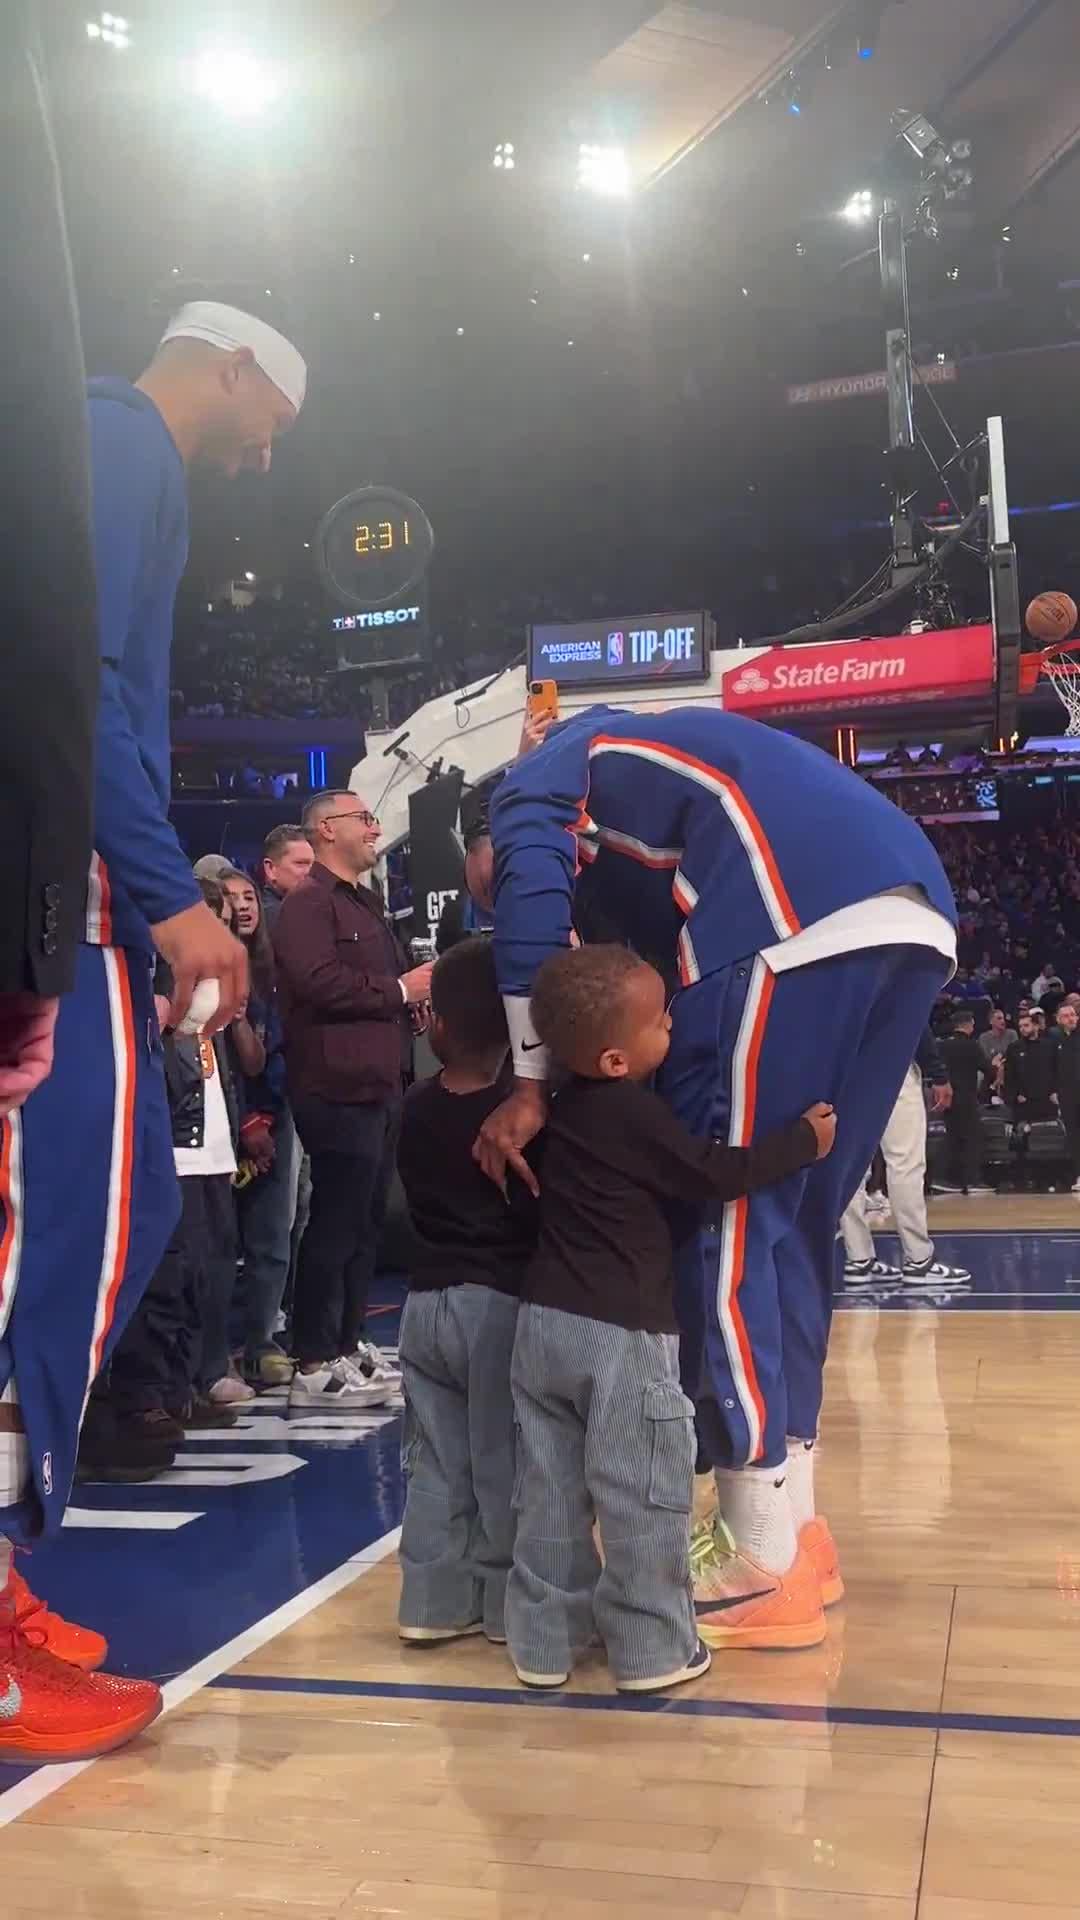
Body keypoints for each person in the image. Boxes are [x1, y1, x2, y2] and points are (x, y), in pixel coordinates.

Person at [467, 703, 955, 1647]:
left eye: (483, 886)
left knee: (724, 1228)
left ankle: (757, 1554)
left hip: (783, 905)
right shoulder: (653, 756)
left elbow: (529, 905)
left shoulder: (538, 776)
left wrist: (529, 1082)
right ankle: (795, 1527)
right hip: (915, 907)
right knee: (795, 1225)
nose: (498, 901)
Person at [0, 0, 166, 1762]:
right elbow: (72, 664)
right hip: (54, 893)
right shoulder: (112, 439)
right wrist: (112, 894)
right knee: (52, 1252)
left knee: (100, 1240)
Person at [508, 946, 835, 1686]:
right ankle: (652, 1649)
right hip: (622, 1334)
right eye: (661, 1020)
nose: (672, 1027)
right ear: (617, 1059)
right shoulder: (634, 1112)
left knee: (549, 1492)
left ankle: (544, 1644)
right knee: (642, 1494)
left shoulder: (561, 1108)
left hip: (542, 1324)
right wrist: (800, 1143)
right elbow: (711, 1174)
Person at [78, 879, 249, 1483]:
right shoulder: (118, 974)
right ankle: (119, 1406)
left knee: (180, 1274)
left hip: (168, 1130)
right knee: (138, 1271)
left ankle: (160, 1395)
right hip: (128, 1129)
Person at [274, 792, 433, 1408]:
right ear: (325, 830)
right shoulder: (307, 905)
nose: (374, 828)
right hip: (336, 1087)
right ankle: (313, 1358)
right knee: (335, 1223)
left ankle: (346, 1341)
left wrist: (406, 1007)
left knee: (366, 1224)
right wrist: (398, 991)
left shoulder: (365, 902)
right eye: (363, 819)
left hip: (380, 1083)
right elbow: (317, 983)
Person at [395, 938, 534, 1645]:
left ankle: (430, 1602)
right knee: (501, 1458)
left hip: (423, 1303)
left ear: (437, 1026)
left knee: (434, 1458)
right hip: (496, 1303)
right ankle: (509, 1605)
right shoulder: (520, 1112)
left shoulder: (414, 1106)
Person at [221, 869, 295, 1385]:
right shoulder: (198, 966)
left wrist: (265, 1117)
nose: (244, 906)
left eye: (249, 897)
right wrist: (246, 1119)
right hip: (217, 1118)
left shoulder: (269, 969)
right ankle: (211, 1351)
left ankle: (261, 1341)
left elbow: (267, 1055)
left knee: (272, 1234)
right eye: (231, 899)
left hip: (273, 1114)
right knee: (217, 1242)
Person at [841, 1030, 971, 1287]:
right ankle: (919, 1260)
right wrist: (938, 1073)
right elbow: (913, 1018)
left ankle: (858, 1258)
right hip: (890, 1061)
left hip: (844, 1068)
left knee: (852, 1167)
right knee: (904, 1163)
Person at [939, 1012, 989, 1195]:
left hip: (947, 1098)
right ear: (968, 1025)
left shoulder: (943, 1045)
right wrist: (995, 1066)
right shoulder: (971, 1045)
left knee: (952, 1137)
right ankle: (972, 1180)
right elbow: (987, 1068)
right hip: (966, 1097)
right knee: (973, 1137)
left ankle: (944, 1179)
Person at [260, 825, 314, 932]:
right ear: (270, 868)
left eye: (314, 865)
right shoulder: (275, 917)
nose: (311, 872)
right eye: (300, 863)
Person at [1054, 1000, 1080, 1193]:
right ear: (1058, 1019)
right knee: (1074, 1137)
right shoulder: (1053, 1042)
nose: (1071, 1018)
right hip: (1068, 1096)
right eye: (1066, 1016)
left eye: (1073, 1015)